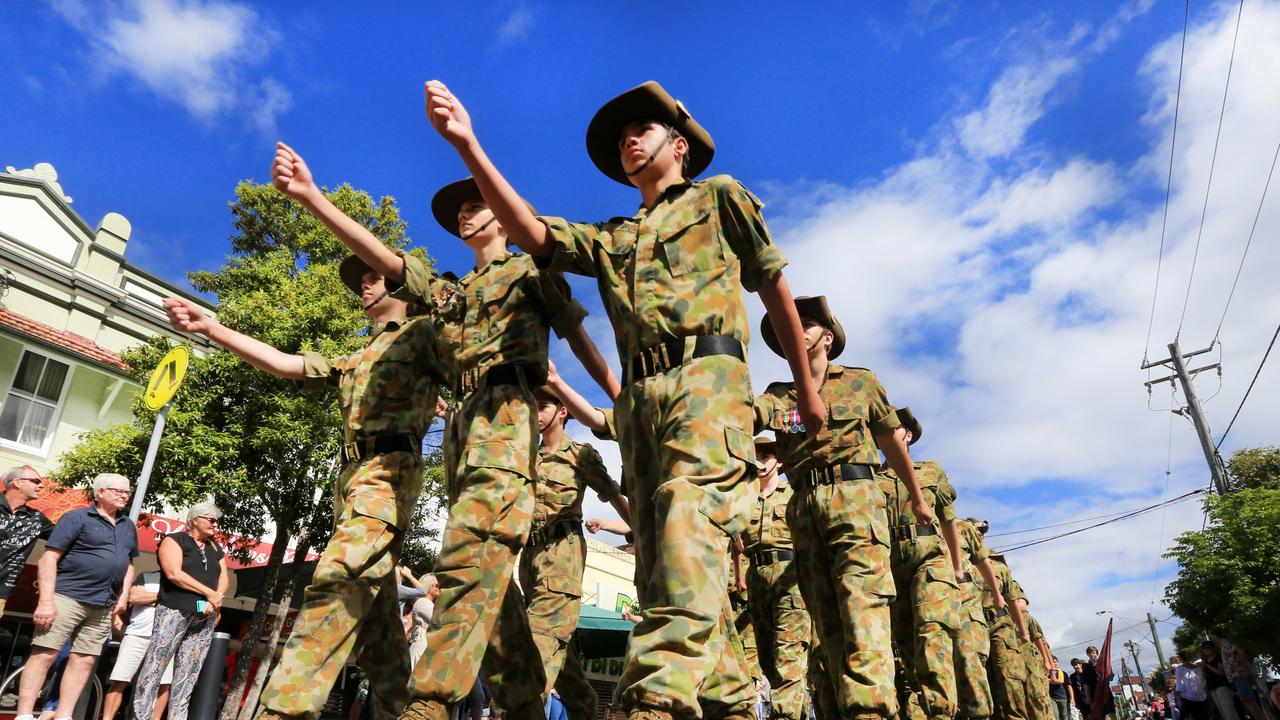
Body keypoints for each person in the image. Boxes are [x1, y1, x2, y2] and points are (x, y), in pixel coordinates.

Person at [425, 78, 827, 720]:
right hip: (641, 401)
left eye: (641, 130)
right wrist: (468, 144)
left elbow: (774, 285)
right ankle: (724, 697)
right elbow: (532, 231)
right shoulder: (613, 238)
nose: (628, 142)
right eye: (620, 139)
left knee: (691, 522)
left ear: (679, 142)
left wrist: (807, 391)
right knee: (659, 566)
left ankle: (657, 700)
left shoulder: (719, 199)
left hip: (707, 381)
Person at [271, 138, 617, 720]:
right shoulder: (449, 297)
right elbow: (389, 263)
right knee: (492, 592)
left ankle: (428, 705)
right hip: (461, 435)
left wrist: (616, 408)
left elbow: (579, 339)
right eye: (459, 209)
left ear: (506, 214)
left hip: (506, 421)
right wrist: (311, 198)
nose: (464, 212)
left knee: (463, 563)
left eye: (476, 202)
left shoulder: (532, 271)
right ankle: (531, 704)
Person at [164, 235, 450, 720]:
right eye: (361, 281)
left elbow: (456, 331)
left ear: (402, 285)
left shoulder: (424, 334)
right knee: (377, 621)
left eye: (374, 278)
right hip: (352, 481)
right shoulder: (359, 357)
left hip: (387, 476)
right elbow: (284, 363)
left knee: (333, 583)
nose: (363, 285)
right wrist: (213, 329)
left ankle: (281, 712)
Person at [753, 294, 933, 720]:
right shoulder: (777, 396)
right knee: (827, 622)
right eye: (789, 324)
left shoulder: (860, 381)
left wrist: (918, 497)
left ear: (828, 337)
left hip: (855, 499)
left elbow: (891, 442)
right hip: (803, 508)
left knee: (862, 607)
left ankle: (871, 713)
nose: (797, 328)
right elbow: (741, 419)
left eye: (808, 323)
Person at [522, 385, 629, 720]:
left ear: (562, 411)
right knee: (558, 653)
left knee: (535, 654)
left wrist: (645, 536)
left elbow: (615, 496)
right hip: (530, 557)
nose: (535, 414)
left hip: (562, 555)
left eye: (542, 406)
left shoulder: (581, 455)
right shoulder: (526, 458)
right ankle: (585, 708)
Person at [15, 473, 137, 720]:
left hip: (104, 603)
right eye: (119, 490)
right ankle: (25, 714)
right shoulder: (76, 518)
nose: (125, 495)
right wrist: (46, 601)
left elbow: (130, 563)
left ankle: (64, 715)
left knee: (85, 660)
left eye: (127, 491)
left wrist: (123, 595)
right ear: (100, 492)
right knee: (45, 652)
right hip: (68, 597)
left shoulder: (127, 525)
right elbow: (49, 558)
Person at [878, 408, 964, 720]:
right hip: (892, 570)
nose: (889, 433)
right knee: (907, 649)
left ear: (909, 435)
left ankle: (941, 713)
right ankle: (921, 710)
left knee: (931, 632)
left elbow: (949, 520)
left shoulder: (931, 470)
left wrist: (957, 568)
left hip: (930, 558)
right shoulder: (871, 478)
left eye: (896, 428)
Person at [131, 502, 228, 720]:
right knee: (155, 666)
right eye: (211, 519)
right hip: (174, 609)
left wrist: (216, 599)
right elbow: (174, 573)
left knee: (189, 672)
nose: (216, 524)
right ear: (195, 520)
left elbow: (223, 577)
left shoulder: (215, 548)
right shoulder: (174, 540)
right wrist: (208, 593)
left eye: (216, 520)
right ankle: (140, 716)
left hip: (204, 614)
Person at [738, 438, 811, 720]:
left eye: (766, 455)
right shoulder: (743, 498)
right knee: (768, 660)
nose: (759, 460)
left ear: (778, 461)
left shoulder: (793, 493)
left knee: (788, 656)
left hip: (788, 576)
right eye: (755, 455)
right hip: (756, 578)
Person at [947, 517, 1004, 720]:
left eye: (982, 531)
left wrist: (998, 596)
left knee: (969, 659)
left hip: (966, 606)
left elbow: (983, 562)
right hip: (938, 603)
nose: (981, 534)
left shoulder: (963, 530)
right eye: (980, 530)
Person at [101, 570, 174, 720]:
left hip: (168, 639)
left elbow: (187, 605)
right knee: (120, 680)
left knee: (163, 684)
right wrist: (168, 599)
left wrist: (149, 599)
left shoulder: (188, 582)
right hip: (136, 635)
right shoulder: (147, 576)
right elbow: (134, 596)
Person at [0, 465, 53, 617]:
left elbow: (65, 537)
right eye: (35, 481)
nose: (41, 485)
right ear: (17, 482)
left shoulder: (36, 519)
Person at [983, 553, 1031, 720]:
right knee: (984, 684)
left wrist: (1023, 632)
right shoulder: (958, 560)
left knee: (1009, 681)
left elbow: (1016, 601)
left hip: (1000, 625)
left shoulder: (999, 568)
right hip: (974, 629)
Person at [1208, 629, 1264, 720]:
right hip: (1238, 677)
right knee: (1249, 701)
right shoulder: (1223, 644)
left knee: (1248, 701)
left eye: (1210, 634)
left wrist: (1242, 666)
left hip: (1240, 676)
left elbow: (1241, 651)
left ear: (1214, 634)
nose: (1209, 636)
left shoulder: (1226, 643)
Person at [1198, 642, 1237, 720]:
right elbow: (1204, 676)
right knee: (1222, 712)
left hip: (1222, 686)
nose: (1207, 649)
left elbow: (1221, 672)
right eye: (1205, 648)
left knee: (1229, 711)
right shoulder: (1206, 661)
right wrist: (1202, 667)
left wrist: (1207, 665)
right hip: (1212, 687)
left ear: (1213, 648)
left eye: (1209, 647)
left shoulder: (1218, 658)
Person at [1171, 654, 1209, 720]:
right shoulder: (1198, 667)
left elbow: (1180, 684)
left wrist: (1179, 694)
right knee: (1203, 716)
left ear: (1180, 659)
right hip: (1201, 696)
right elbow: (1203, 681)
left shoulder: (1179, 669)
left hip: (1188, 697)